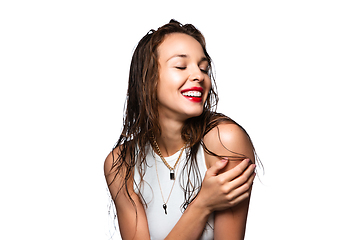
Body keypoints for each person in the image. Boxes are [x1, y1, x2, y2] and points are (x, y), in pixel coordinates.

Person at [104, 19, 260, 240]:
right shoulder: (121, 163)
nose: (199, 75)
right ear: (147, 79)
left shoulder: (224, 142)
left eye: (204, 67)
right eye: (180, 66)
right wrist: (202, 204)